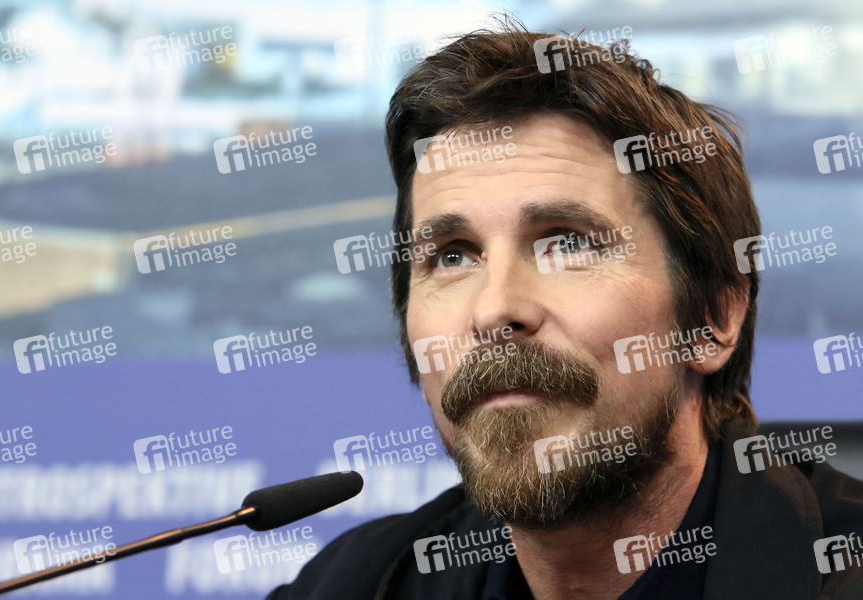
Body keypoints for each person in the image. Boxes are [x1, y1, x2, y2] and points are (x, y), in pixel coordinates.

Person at [268, 19, 863, 599]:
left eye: (567, 244)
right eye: (452, 256)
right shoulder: (349, 584)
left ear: (713, 318)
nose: (494, 309)